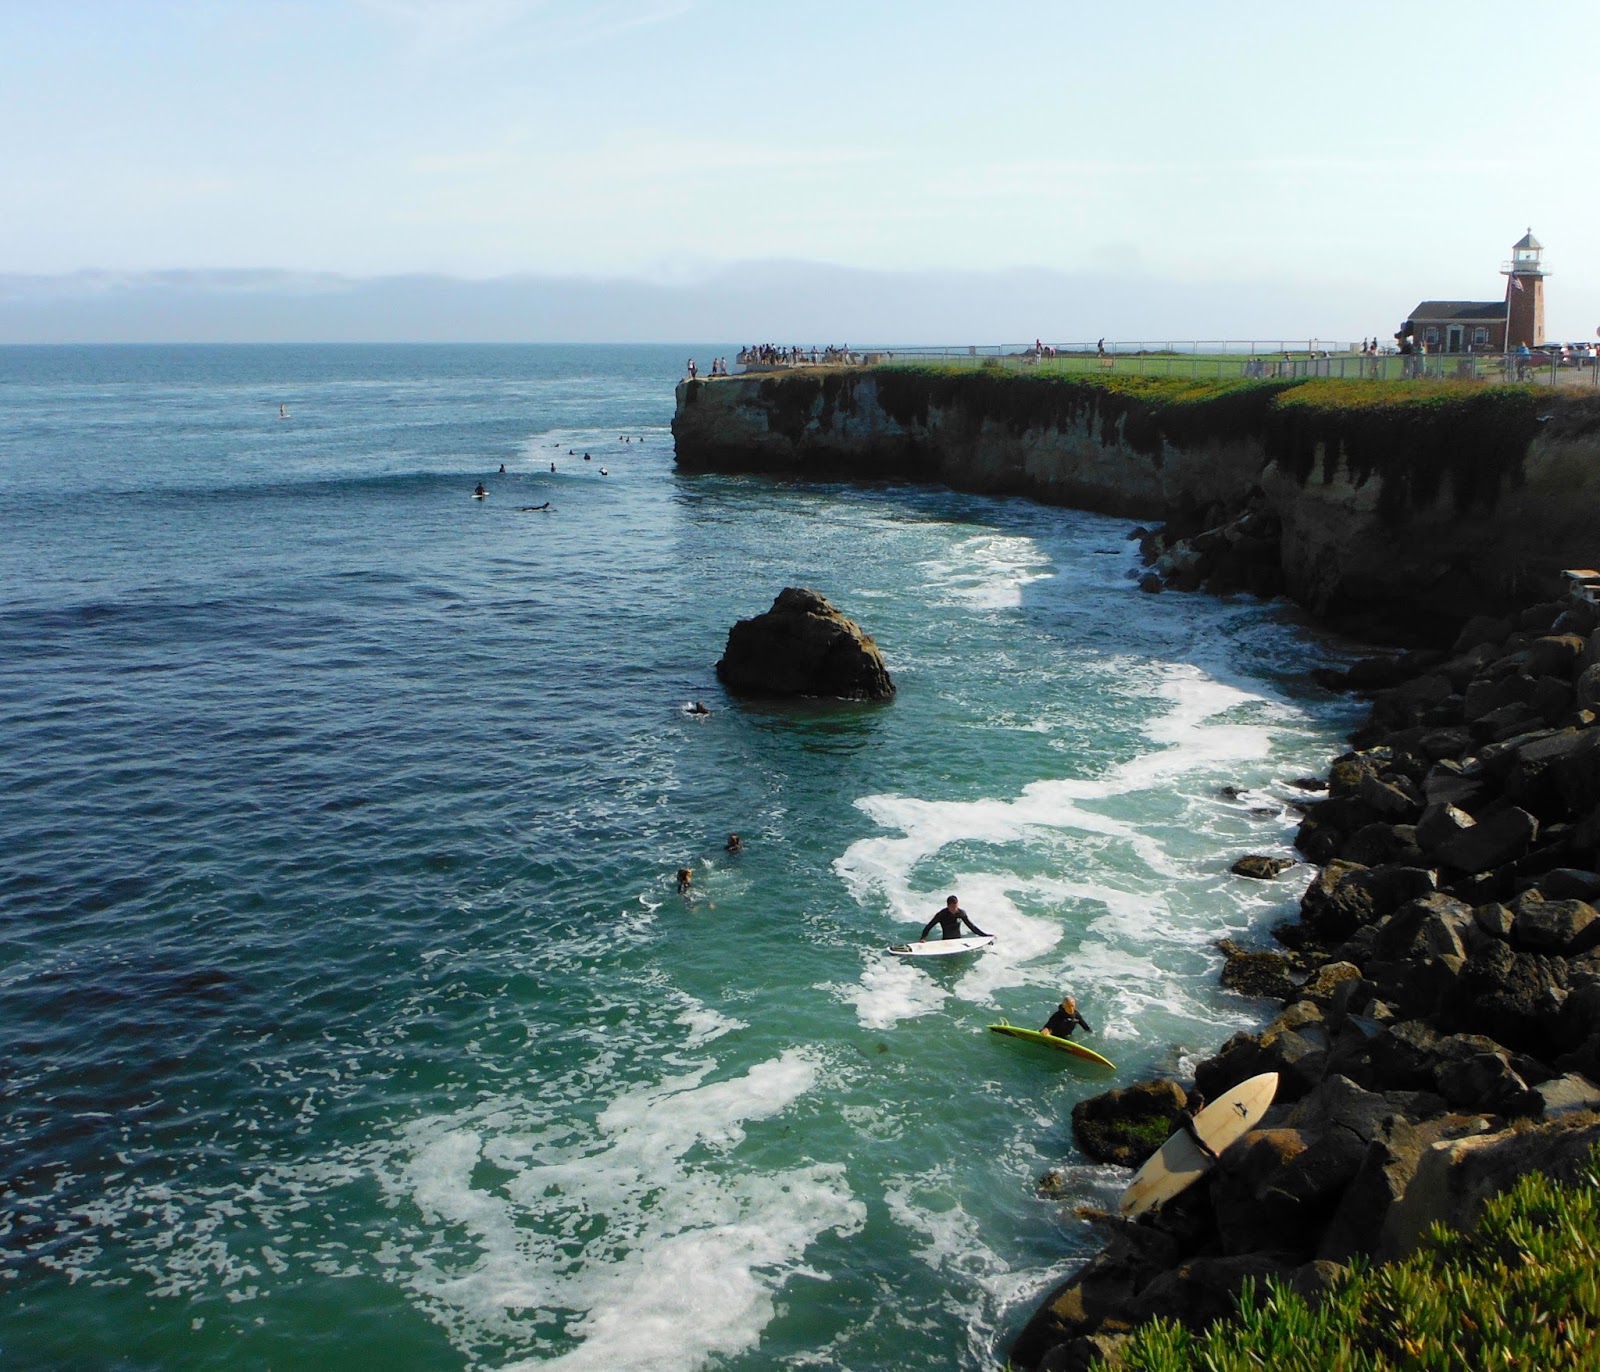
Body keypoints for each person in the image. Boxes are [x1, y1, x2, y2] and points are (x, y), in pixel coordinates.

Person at [919, 895, 989, 942]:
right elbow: (929, 926)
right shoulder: (941, 914)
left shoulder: (961, 913)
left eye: (956, 907)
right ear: (948, 906)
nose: (955, 909)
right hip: (946, 941)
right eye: (952, 907)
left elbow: (971, 926)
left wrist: (984, 935)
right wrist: (923, 938)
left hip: (957, 941)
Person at [1177, 1089, 1219, 1160]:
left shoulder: (1182, 1112)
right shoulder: (1187, 1116)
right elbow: (1195, 1138)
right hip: (1178, 1149)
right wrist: (1213, 1153)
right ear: (1199, 1104)